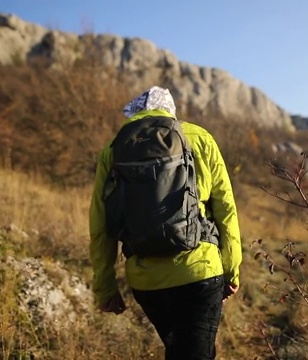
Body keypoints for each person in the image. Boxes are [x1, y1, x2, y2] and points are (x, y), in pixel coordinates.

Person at [89, 86, 242, 359]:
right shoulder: (199, 138)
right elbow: (226, 209)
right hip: (199, 271)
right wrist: (232, 270)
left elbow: (100, 226)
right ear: (171, 113)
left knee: (179, 350)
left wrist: (105, 287)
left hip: (146, 281)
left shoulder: (113, 150)